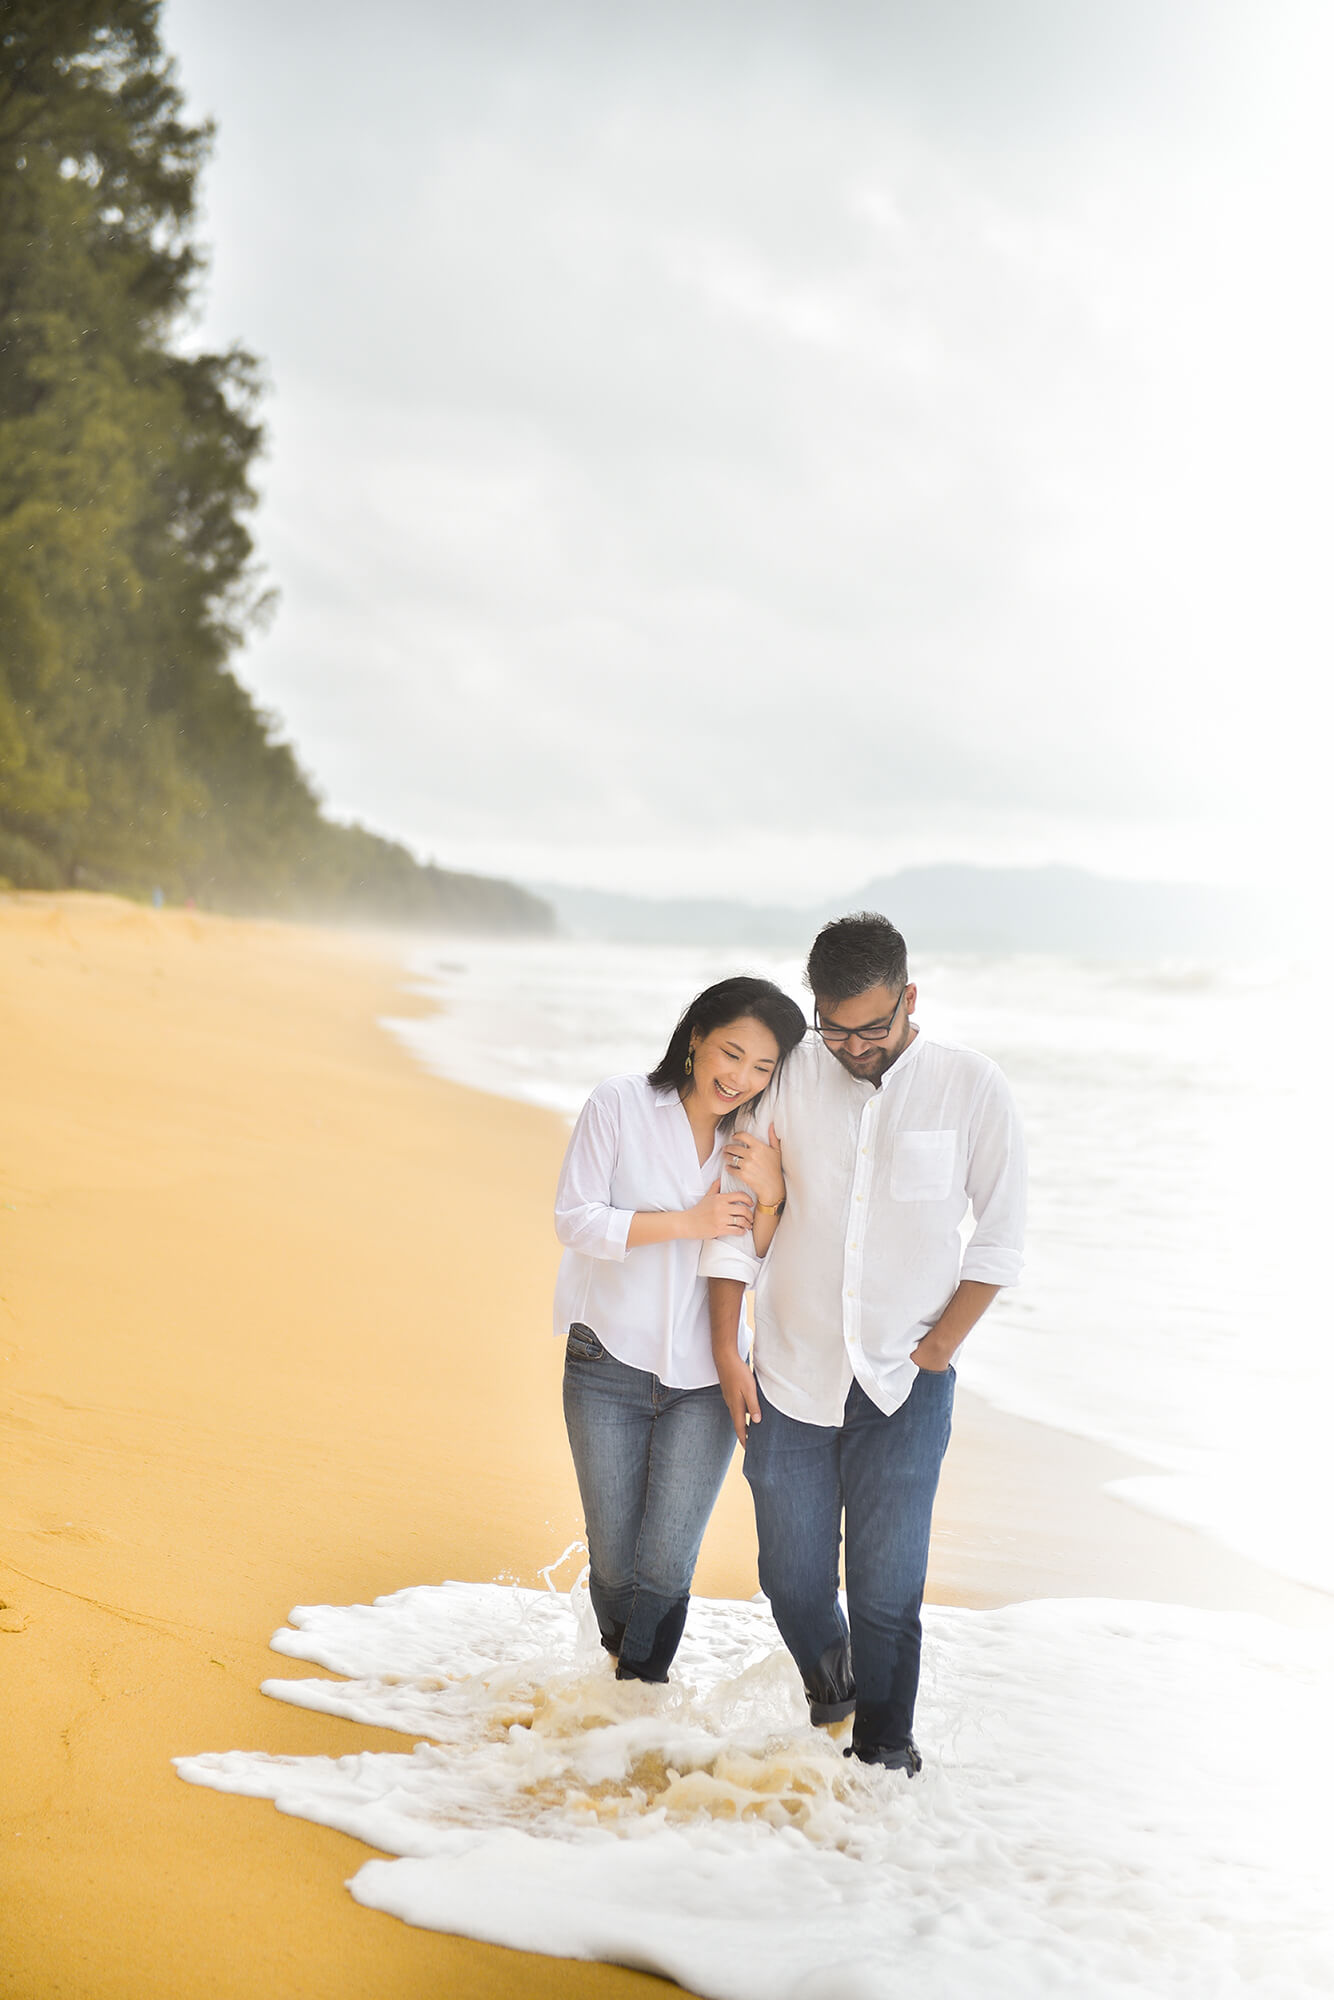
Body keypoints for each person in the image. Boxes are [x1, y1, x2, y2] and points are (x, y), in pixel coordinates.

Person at [702, 913, 1026, 1774]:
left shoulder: (971, 1087)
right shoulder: (789, 1077)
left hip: (905, 1385)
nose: (852, 1047)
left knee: (888, 1597)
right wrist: (731, 1347)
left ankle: (885, 1759)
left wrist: (936, 1351)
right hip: (792, 1374)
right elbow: (738, 1220)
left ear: (909, 998)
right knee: (794, 1582)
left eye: (872, 1028)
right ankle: (834, 1697)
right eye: (833, 1028)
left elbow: (1000, 1239)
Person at [555, 975, 807, 1684]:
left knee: (666, 1566)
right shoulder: (619, 1104)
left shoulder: (754, 1141)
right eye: (732, 1054)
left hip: (705, 1380)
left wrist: (776, 1196)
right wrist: (686, 1225)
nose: (742, 1078)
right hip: (606, 1359)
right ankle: (619, 1684)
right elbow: (574, 1219)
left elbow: (761, 1259)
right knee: (614, 1564)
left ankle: (636, 1703)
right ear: (695, 1038)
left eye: (763, 1068)